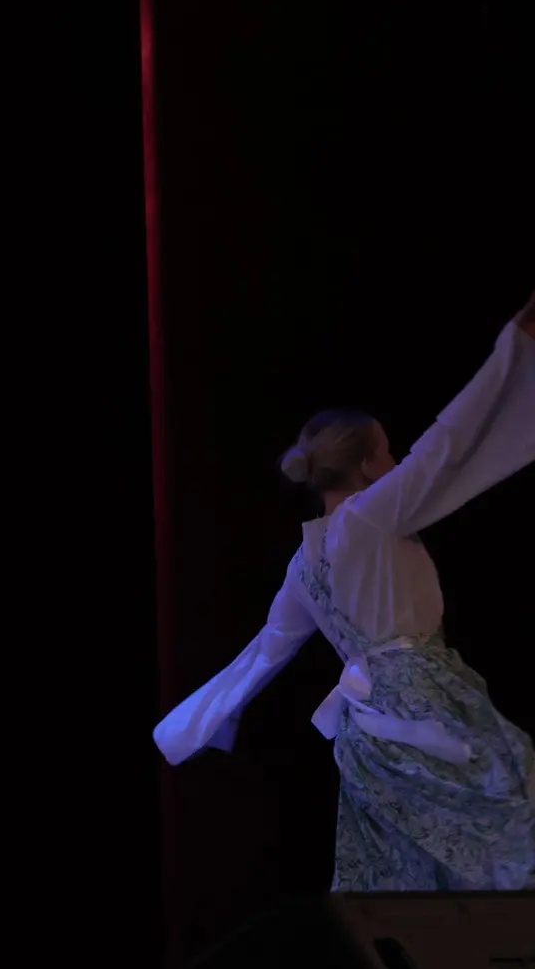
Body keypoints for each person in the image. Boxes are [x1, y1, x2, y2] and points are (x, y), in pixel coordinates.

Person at [155, 300, 535, 890]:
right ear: (366, 465)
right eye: (387, 451)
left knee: (403, 876)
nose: (396, 462)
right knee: (507, 822)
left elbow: (265, 652)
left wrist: (187, 728)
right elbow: (448, 442)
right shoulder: (372, 516)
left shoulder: (303, 563)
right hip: (423, 704)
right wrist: (516, 344)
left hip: (367, 731)